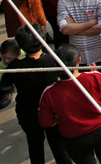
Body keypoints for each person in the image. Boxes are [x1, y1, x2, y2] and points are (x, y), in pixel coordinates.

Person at [38, 44, 101, 164]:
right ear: (79, 61)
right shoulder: (95, 77)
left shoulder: (49, 92)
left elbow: (46, 122)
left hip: (74, 137)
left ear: (55, 65)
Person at [5, 25, 72, 164]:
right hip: (52, 110)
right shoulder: (53, 61)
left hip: (28, 112)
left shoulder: (15, 66)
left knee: (35, 144)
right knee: (59, 145)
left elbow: (5, 82)